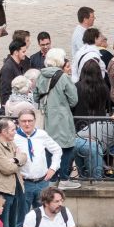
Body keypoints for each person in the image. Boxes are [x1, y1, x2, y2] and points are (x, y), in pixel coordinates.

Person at [34, 50, 79, 181]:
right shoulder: (63, 77)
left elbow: (36, 97)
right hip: (62, 118)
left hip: (46, 118)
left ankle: (51, 178)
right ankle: (64, 178)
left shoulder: (40, 76)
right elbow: (74, 100)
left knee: (49, 148)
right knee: (66, 147)